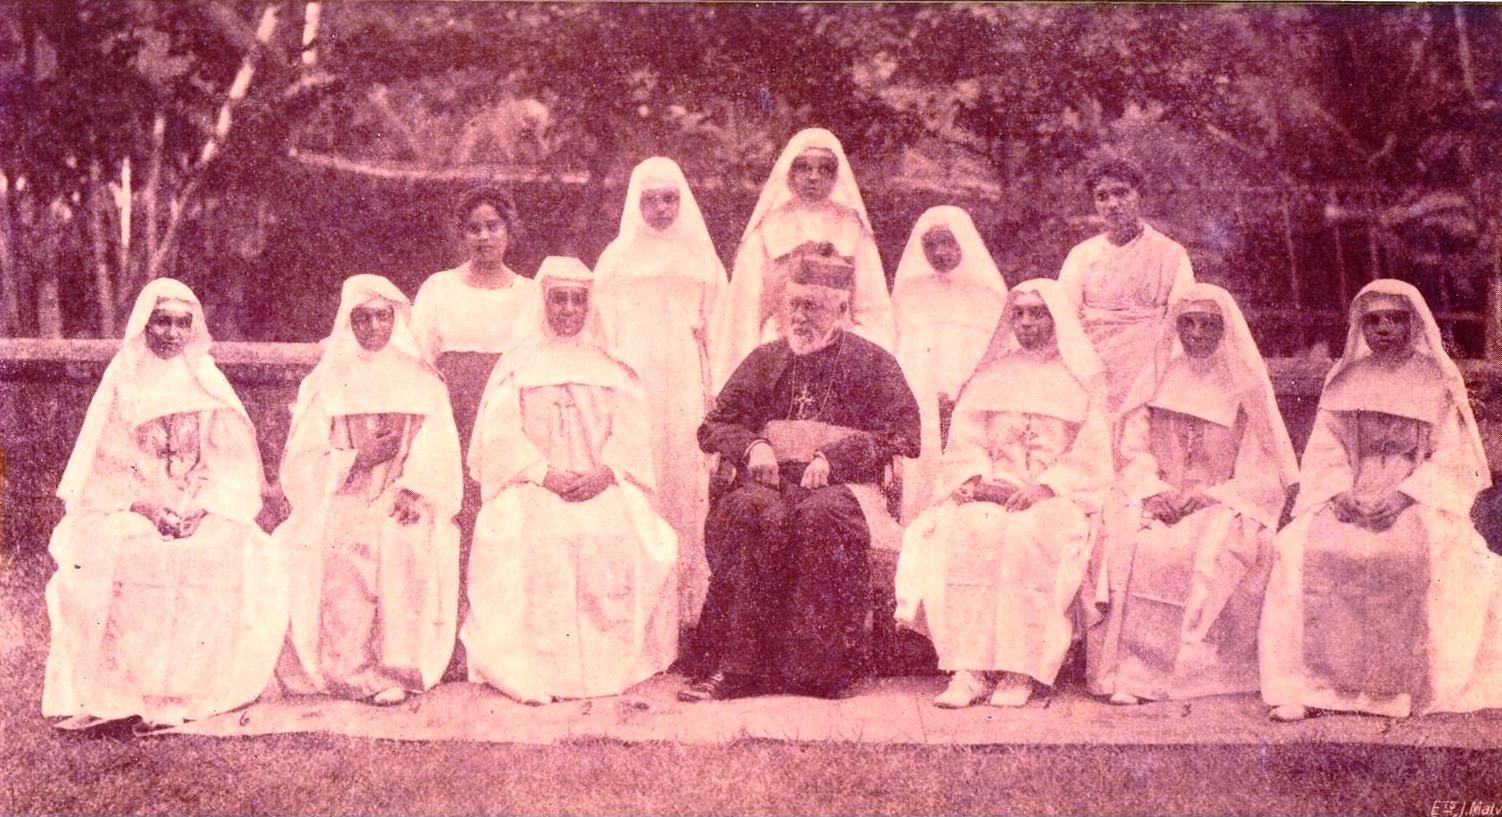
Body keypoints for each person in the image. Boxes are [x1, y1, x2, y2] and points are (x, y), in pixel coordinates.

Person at [43, 279, 289, 734]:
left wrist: (203, 507)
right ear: (144, 324)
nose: (173, 333)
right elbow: (104, 468)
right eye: (163, 321)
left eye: (182, 322)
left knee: (227, 552)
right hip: (133, 507)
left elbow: (229, 464)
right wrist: (149, 509)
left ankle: (180, 698)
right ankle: (111, 697)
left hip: (198, 507)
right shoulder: (122, 379)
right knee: (105, 553)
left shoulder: (207, 379)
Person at [1260, 279, 1502, 721]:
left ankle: (1398, 692)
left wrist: (1408, 495)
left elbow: (1453, 456)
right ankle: (1313, 686)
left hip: (1417, 495)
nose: (1384, 328)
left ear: (1414, 324)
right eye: (1374, 320)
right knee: (1301, 549)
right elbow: (1326, 447)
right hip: (1353, 489)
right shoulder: (1346, 380)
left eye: (1396, 319)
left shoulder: (1436, 383)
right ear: (1361, 327)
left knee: (1411, 554)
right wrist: (1339, 492)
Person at [687, 253, 920, 702]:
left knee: (821, 515)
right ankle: (735, 668)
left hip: (844, 485)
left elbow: (904, 433)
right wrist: (754, 446)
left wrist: (835, 457)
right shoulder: (765, 359)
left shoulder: (874, 363)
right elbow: (715, 423)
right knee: (751, 510)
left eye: (811, 307)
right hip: (771, 481)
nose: (798, 317)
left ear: (840, 309)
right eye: (792, 305)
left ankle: (818, 670)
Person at [461, 257, 679, 704]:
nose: (567, 310)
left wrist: (605, 472)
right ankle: (541, 666)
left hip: (601, 484)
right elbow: (501, 437)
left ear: (589, 306)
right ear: (542, 303)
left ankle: (605, 663)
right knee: (526, 536)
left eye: (578, 300)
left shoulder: (612, 366)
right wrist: (544, 474)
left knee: (626, 535)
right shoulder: (518, 366)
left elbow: (630, 435)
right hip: (535, 485)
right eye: (558, 299)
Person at [895, 278, 1111, 709]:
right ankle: (969, 669)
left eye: (1038, 313)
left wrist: (1046, 488)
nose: (1027, 323)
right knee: (966, 530)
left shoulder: (1080, 378)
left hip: (1054, 496)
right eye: (1019, 313)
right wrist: (977, 480)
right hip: (993, 491)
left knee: (1030, 538)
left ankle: (1021, 668)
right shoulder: (992, 375)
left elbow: (1092, 452)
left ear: (1056, 319)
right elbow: (967, 441)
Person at [1084, 283, 1298, 705]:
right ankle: (1129, 674)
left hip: (1221, 502)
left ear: (1226, 330)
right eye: (1188, 324)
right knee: (1133, 544)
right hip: (1160, 499)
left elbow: (1262, 468)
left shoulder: (1245, 386)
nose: (1197, 334)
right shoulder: (1159, 378)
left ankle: (1183, 676)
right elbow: (1134, 450)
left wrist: (1208, 497)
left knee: (1200, 551)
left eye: (1208, 325)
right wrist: (1155, 490)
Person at [275, 275, 462, 706]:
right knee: (347, 542)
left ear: (396, 319)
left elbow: (438, 449)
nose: (374, 327)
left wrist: (416, 492)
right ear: (349, 322)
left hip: (401, 495)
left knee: (406, 539)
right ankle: (348, 668)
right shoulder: (325, 381)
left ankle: (398, 667)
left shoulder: (421, 379)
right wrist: (356, 457)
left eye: (383, 316)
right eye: (363, 318)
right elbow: (302, 458)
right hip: (342, 494)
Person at [409, 185, 541, 675]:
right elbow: (417, 360)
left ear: (509, 232)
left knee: (501, 520)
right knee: (452, 518)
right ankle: (445, 643)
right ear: (461, 234)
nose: (484, 237)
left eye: (494, 226)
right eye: (474, 228)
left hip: (506, 420)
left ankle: (497, 641)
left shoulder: (529, 294)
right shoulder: (438, 288)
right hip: (452, 416)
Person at [595, 157, 726, 629]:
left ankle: (685, 614)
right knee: (635, 478)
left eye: (670, 198)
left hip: (683, 380)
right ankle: (635, 614)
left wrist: (718, 394)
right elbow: (599, 329)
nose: (661, 209)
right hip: (633, 379)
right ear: (636, 202)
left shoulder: (701, 260)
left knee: (683, 482)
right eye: (651, 200)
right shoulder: (615, 259)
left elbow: (720, 327)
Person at [709, 127, 894, 392]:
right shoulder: (766, 231)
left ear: (836, 175)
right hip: (778, 353)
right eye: (803, 167)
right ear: (789, 172)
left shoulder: (853, 229)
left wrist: (863, 360)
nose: (813, 177)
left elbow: (873, 307)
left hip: (839, 356)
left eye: (824, 169)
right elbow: (745, 313)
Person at [892, 205, 1008, 522]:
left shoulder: (988, 291)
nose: (941, 252)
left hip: (969, 383)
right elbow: (902, 342)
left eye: (949, 243)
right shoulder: (911, 290)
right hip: (920, 382)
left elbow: (995, 352)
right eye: (931, 245)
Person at [1057, 157, 1194, 414]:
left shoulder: (1171, 254)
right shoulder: (1082, 255)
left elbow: (1181, 317)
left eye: (1121, 193)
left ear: (1139, 195)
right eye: (1102, 196)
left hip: (1149, 363)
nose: (1112, 204)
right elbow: (1064, 317)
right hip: (1092, 360)